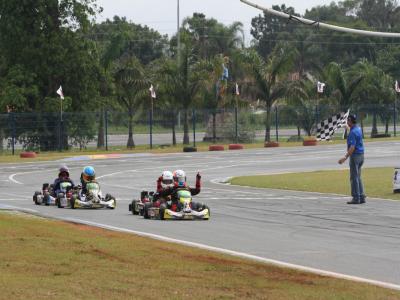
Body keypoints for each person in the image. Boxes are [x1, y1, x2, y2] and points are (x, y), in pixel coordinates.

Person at [338, 114, 366, 204]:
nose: (347, 122)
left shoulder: (352, 133)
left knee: (354, 178)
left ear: (350, 121)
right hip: (361, 155)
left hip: (355, 156)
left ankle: (356, 197)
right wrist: (348, 129)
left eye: (348, 121)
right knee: (358, 177)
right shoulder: (358, 129)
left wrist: (345, 157)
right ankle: (361, 196)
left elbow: (352, 147)